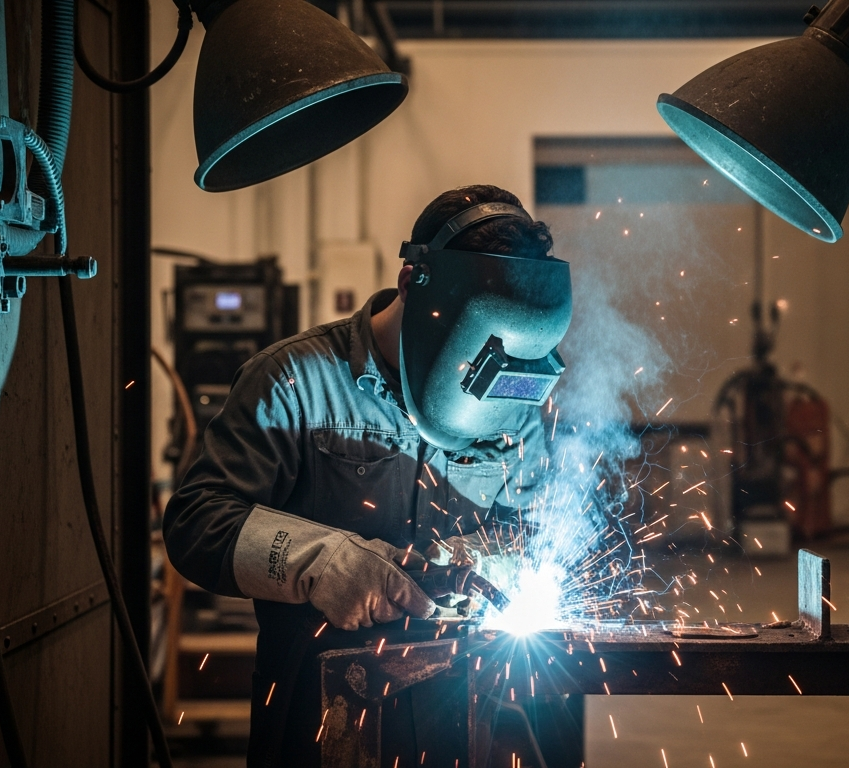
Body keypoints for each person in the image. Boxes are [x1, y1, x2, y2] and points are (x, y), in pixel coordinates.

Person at [163, 184, 572, 766]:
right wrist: (319, 560)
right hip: (322, 716)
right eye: (467, 347)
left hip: (463, 713)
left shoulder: (512, 396)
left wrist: (503, 556)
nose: (478, 374)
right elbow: (195, 524)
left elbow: (536, 525)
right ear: (411, 284)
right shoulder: (295, 381)